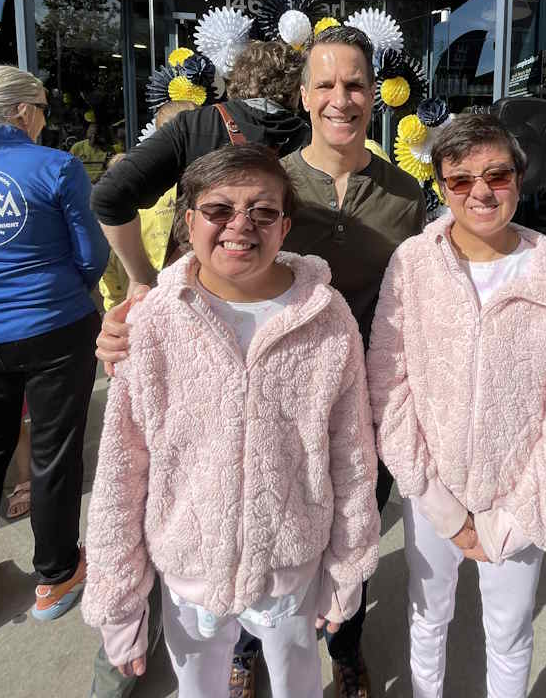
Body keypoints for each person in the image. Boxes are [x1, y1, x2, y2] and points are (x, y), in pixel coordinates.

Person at [94, 25, 425, 698]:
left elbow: (418, 299)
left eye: (356, 83)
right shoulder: (270, 184)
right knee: (250, 524)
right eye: (326, 84)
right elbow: (209, 277)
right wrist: (135, 318)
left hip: (361, 400)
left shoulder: (405, 195)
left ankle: (349, 649)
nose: (342, 98)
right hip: (267, 401)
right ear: (303, 96)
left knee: (350, 533)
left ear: (375, 95)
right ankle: (244, 651)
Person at [81, 144, 380, 698]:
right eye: (220, 210)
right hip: (189, 567)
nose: (239, 226)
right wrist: (119, 598)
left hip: (290, 564)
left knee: (298, 683)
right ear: (189, 221)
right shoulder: (152, 323)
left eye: (262, 212)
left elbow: (352, 454)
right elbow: (122, 469)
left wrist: (348, 564)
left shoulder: (327, 317)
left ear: (285, 225)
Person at [366, 114, 546, 698]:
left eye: (496, 175)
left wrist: (523, 513)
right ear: (442, 187)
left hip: (518, 495)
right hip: (433, 491)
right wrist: (438, 503)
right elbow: (389, 386)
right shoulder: (414, 264)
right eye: (461, 179)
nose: (480, 192)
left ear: (519, 180)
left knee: (509, 631)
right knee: (428, 618)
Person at [0, 65, 109, 638]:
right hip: (55, 327)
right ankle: (54, 575)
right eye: (46, 108)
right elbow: (91, 254)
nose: (47, 119)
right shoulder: (55, 165)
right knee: (54, 454)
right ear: (24, 112)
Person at [91, 40, 309, 297]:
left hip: (198, 292)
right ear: (296, 90)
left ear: (236, 78)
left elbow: (109, 196)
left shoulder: (194, 126)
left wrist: (142, 276)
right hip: (288, 291)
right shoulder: (313, 139)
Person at [98, 101, 195, 312]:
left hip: (143, 298)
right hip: (171, 297)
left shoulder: (134, 186)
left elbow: (110, 256)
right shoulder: (136, 187)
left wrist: (115, 301)